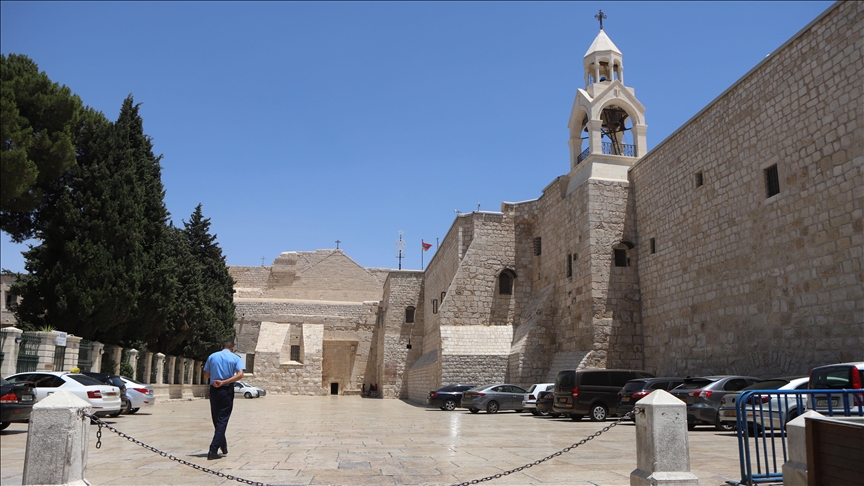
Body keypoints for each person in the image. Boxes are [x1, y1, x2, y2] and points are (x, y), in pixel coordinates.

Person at [203, 339, 245, 460]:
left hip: (214, 390)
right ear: (232, 347)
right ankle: (213, 449)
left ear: (222, 347)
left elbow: (206, 374)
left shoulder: (212, 356)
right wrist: (224, 381)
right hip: (226, 390)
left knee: (217, 419)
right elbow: (240, 374)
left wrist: (216, 376)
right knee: (222, 420)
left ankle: (224, 446)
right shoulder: (235, 358)